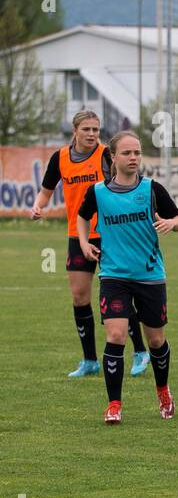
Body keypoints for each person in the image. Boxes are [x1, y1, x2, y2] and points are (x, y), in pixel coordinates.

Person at [30, 110, 150, 378]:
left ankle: (140, 352)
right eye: (87, 129)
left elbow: (127, 185)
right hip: (78, 234)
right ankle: (89, 360)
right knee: (79, 296)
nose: (93, 134)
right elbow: (46, 191)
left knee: (119, 293)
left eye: (96, 129)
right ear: (75, 131)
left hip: (110, 234)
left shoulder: (108, 155)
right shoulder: (60, 158)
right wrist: (38, 207)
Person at [76, 132, 178, 424]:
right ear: (113, 157)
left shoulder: (152, 189)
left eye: (137, 152)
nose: (134, 157)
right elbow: (82, 216)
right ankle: (114, 405)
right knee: (115, 336)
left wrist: (171, 222)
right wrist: (85, 243)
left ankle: (163, 390)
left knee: (155, 339)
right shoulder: (98, 192)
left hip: (149, 275)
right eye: (127, 153)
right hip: (113, 275)